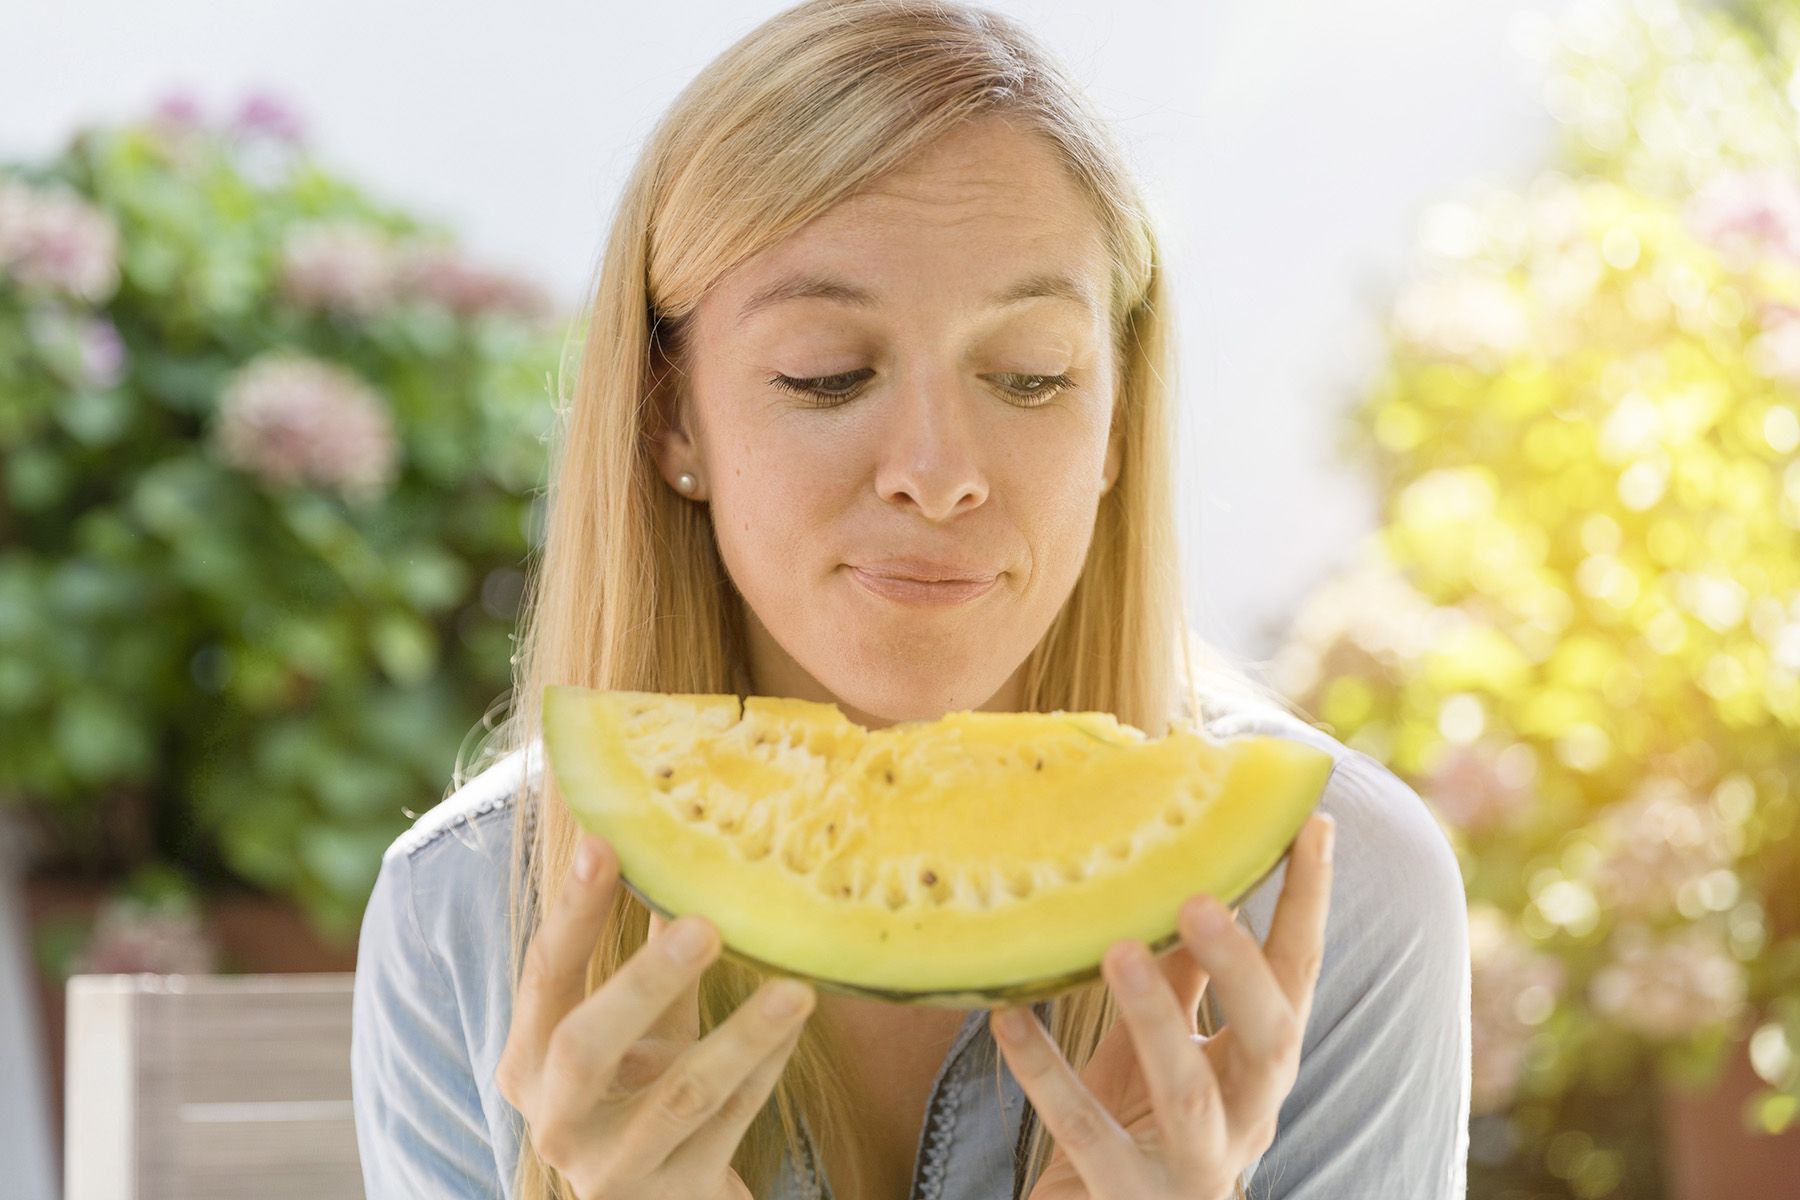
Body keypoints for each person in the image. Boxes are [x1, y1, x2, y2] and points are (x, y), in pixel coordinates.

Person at [350, 1, 1472, 1197]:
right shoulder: (463, 918)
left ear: (1116, 424)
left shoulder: (1341, 902)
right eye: (827, 376)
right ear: (671, 417)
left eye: (1031, 378)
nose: (937, 475)